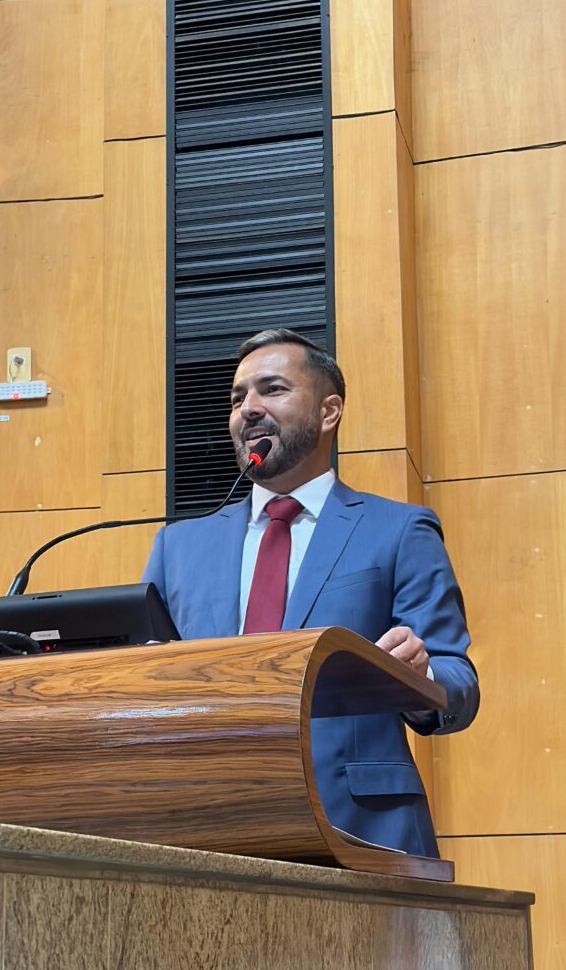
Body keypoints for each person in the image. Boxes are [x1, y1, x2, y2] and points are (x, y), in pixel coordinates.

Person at [143, 328, 479, 857]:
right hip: (206, 829)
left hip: (362, 829)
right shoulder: (178, 546)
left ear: (329, 412)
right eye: (238, 398)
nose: (248, 408)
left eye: (272, 389)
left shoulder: (398, 530)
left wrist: (421, 676)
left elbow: (459, 681)